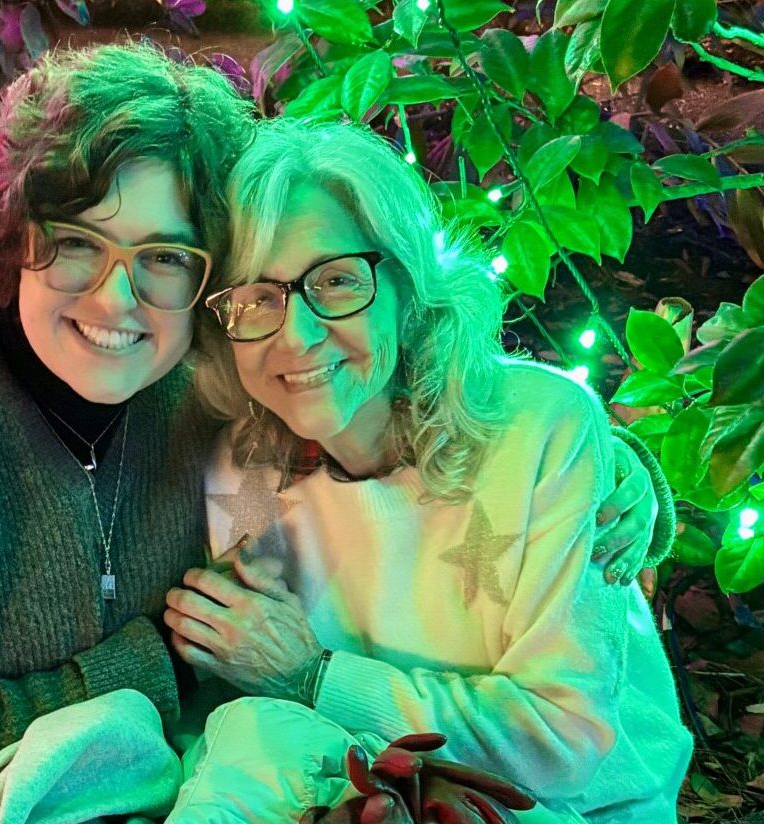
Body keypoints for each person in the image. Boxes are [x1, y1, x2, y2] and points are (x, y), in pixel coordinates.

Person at [0, 43, 666, 824]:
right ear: (17, 230)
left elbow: (434, 426)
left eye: (163, 257)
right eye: (79, 240)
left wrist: (614, 476)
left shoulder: (222, 395)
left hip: (189, 763)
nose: (120, 299)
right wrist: (164, 660)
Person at [163, 119, 691, 822]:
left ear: (408, 287)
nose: (298, 335)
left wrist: (316, 678)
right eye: (256, 299)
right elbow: (248, 676)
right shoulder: (247, 467)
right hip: (364, 782)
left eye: (337, 279)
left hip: (577, 805)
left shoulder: (541, 431)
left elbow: (558, 748)